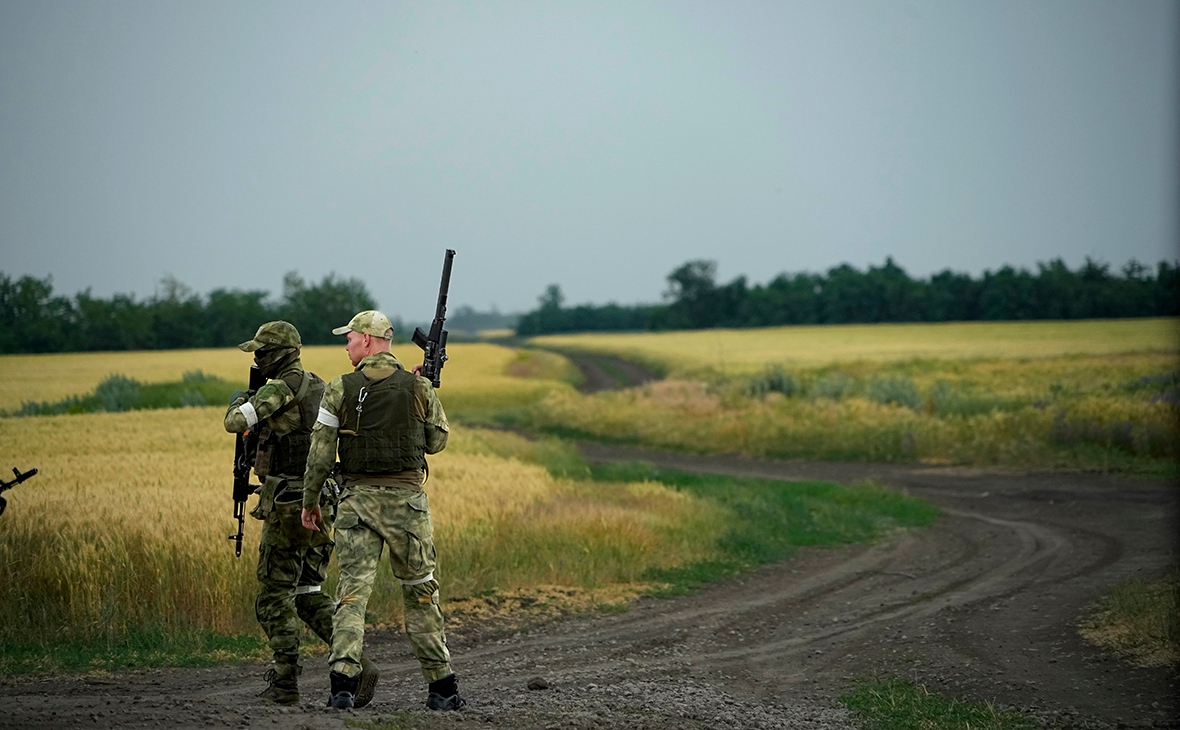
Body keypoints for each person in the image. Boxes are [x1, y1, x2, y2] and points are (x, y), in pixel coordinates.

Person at [300, 310, 464, 711]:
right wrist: (422, 389)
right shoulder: (416, 386)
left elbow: (320, 453)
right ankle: (442, 690)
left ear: (369, 341)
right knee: (421, 592)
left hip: (356, 505)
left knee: (352, 595)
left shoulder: (340, 387)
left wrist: (310, 502)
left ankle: (342, 686)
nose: (347, 345)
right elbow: (436, 442)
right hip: (407, 508)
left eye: (351, 338)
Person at [224, 320, 377, 706]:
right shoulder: (319, 384)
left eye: (261, 352)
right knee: (308, 593)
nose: (257, 358)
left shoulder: (280, 388)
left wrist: (239, 398)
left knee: (274, 597)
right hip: (323, 502)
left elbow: (235, 422)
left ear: (278, 354)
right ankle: (356, 665)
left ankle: (284, 684)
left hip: (290, 506)